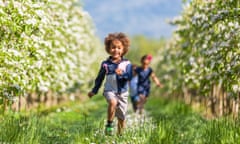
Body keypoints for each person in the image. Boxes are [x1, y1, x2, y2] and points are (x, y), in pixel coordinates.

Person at [88, 32, 132, 136]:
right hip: (109, 90)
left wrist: (122, 75)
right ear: (108, 48)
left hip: (122, 92)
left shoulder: (126, 64)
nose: (116, 50)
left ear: (123, 49)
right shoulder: (105, 64)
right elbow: (99, 78)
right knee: (112, 102)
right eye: (113, 47)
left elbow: (129, 76)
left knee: (122, 117)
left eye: (119, 48)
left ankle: (120, 135)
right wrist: (94, 90)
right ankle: (109, 124)